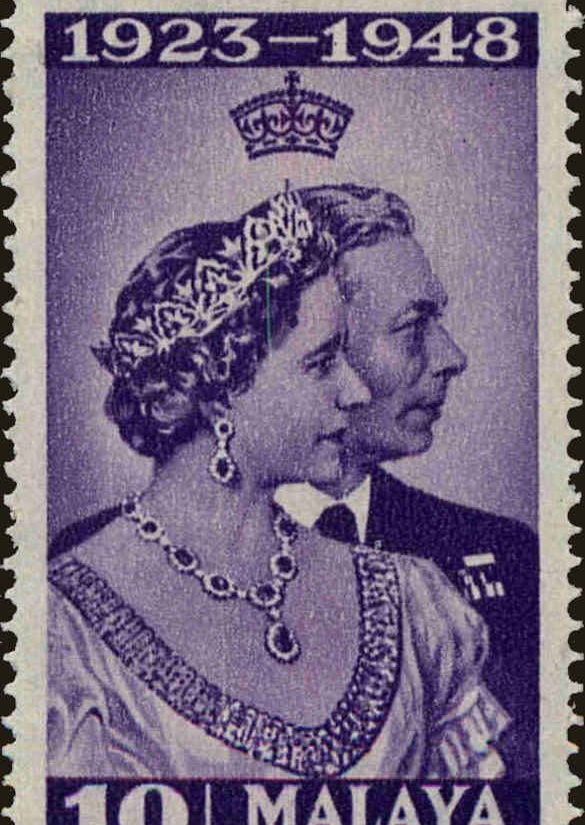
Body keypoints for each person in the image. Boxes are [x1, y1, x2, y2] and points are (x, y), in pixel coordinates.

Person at [48, 187, 510, 779]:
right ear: (218, 387)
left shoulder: (416, 600)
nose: (356, 391)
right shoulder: (62, 628)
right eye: (321, 362)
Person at [275, 184, 539, 778]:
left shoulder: (510, 558)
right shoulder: (124, 563)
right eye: (413, 327)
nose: (452, 356)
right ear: (317, 350)